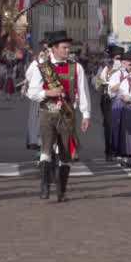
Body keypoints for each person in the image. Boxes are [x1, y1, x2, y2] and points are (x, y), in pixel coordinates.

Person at [24, 30, 90, 203]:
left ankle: (62, 190)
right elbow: (32, 92)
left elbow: (83, 91)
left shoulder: (76, 67)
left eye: (68, 47)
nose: (68, 50)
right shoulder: (42, 67)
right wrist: (48, 92)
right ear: (53, 48)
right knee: (46, 150)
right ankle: (45, 186)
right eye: (64, 47)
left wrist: (86, 114)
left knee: (66, 153)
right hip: (48, 112)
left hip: (67, 114)